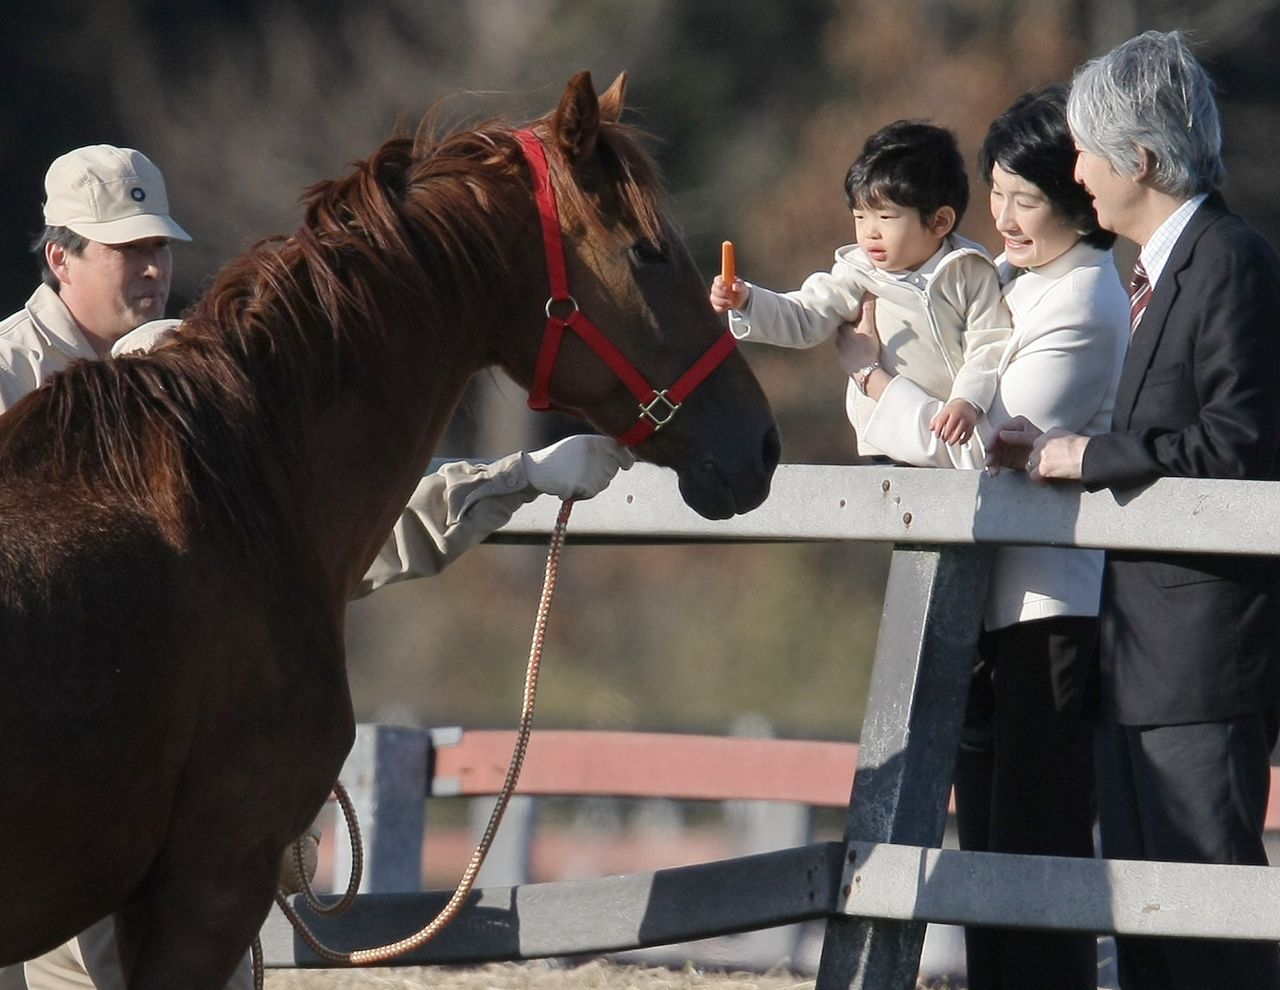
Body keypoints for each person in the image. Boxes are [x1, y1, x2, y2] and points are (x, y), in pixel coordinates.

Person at [1, 147, 633, 989]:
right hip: (64, 802)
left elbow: (305, 546)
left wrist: (512, 481)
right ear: (60, 257)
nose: (153, 268)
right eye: (127, 250)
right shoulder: (11, 382)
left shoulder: (188, 373)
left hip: (170, 791)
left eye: (160, 246)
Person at [986, 31, 1280, 990]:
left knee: (1208, 924)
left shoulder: (1229, 261)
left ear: (1140, 161)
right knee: (1151, 928)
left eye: (1085, 152)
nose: (1075, 172)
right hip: (1143, 653)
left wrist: (1087, 455)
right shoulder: (1157, 271)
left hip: (1202, 656)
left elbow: (1238, 444)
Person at [836, 86, 1128, 989]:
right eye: (995, 193)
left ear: (1079, 199)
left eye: (1024, 199)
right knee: (984, 851)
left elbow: (977, 457)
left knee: (1030, 855)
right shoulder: (1003, 284)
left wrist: (872, 384)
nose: (1001, 217)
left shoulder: (1083, 300)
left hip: (1048, 614)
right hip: (981, 607)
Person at [709, 120, 1013, 456]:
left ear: (939, 221)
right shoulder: (856, 274)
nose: (870, 232)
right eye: (859, 217)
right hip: (888, 444)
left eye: (885, 218)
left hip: (959, 435)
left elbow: (990, 343)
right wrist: (747, 300)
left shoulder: (969, 271)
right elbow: (804, 315)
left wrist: (967, 401)